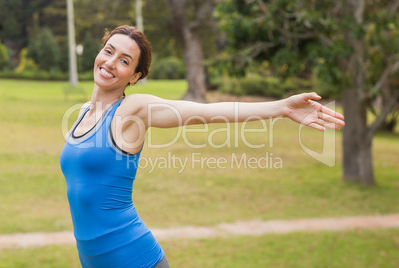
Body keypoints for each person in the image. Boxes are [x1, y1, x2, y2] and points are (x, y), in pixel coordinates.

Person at [60, 25, 345, 268]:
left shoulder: (133, 110)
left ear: (134, 76)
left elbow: (205, 112)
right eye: (109, 51)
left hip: (134, 258)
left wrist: (280, 108)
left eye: (124, 60)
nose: (110, 62)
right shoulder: (84, 112)